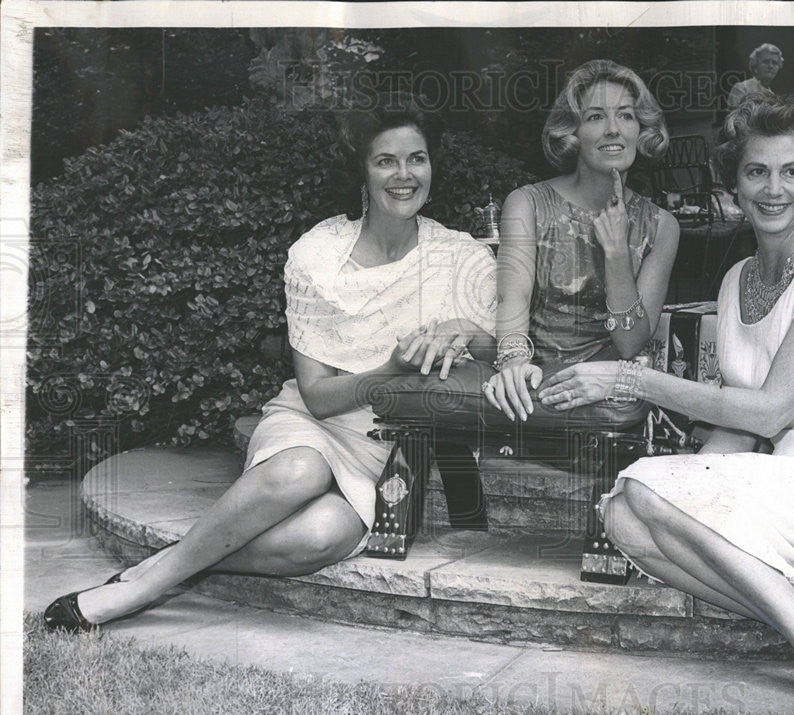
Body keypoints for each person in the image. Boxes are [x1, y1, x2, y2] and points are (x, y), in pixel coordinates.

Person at [537, 95, 794, 715]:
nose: (774, 190)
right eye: (756, 172)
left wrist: (634, 381)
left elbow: (771, 413)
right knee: (623, 514)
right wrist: (684, 490)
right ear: (734, 183)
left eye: (792, 172)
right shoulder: (735, 279)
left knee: (643, 488)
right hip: (791, 481)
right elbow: (733, 431)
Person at [44, 96, 498, 632]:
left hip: (391, 445)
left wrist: (468, 333)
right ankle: (139, 592)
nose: (404, 175)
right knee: (298, 469)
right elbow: (320, 398)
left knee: (321, 539)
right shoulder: (317, 255)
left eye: (416, 158)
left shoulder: (463, 258)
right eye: (386, 161)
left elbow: (495, 364)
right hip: (314, 423)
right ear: (361, 170)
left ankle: (165, 563)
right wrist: (393, 367)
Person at [483, 59, 679, 422]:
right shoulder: (527, 203)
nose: (613, 130)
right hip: (533, 388)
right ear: (572, 132)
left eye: (625, 116)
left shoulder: (661, 226)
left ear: (642, 129)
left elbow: (630, 343)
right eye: (594, 117)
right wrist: (512, 364)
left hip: (610, 403)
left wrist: (617, 253)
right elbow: (513, 297)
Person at [726, 44, 783, 110]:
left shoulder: (773, 96)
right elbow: (733, 118)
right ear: (755, 65)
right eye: (766, 61)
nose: (770, 66)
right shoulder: (742, 88)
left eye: (775, 63)